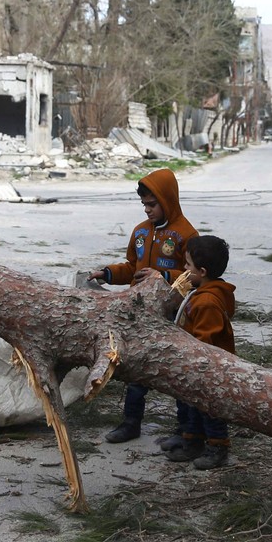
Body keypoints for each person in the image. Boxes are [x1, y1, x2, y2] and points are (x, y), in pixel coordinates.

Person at [85, 167, 197, 443]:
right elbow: (132, 268)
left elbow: (194, 275)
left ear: (168, 199)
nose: (147, 210)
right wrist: (109, 273)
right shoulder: (139, 233)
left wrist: (164, 276)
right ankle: (131, 422)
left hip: (170, 316)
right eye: (144, 205)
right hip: (139, 314)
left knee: (173, 370)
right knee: (136, 371)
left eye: (152, 204)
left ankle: (185, 428)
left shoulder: (186, 234)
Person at [161, 235, 235, 470]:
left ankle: (217, 446)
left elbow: (206, 341)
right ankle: (192, 440)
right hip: (192, 365)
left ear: (202, 271)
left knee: (209, 409)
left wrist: (189, 354)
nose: (184, 269)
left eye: (188, 265)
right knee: (190, 405)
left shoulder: (207, 302)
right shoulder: (199, 292)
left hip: (207, 368)